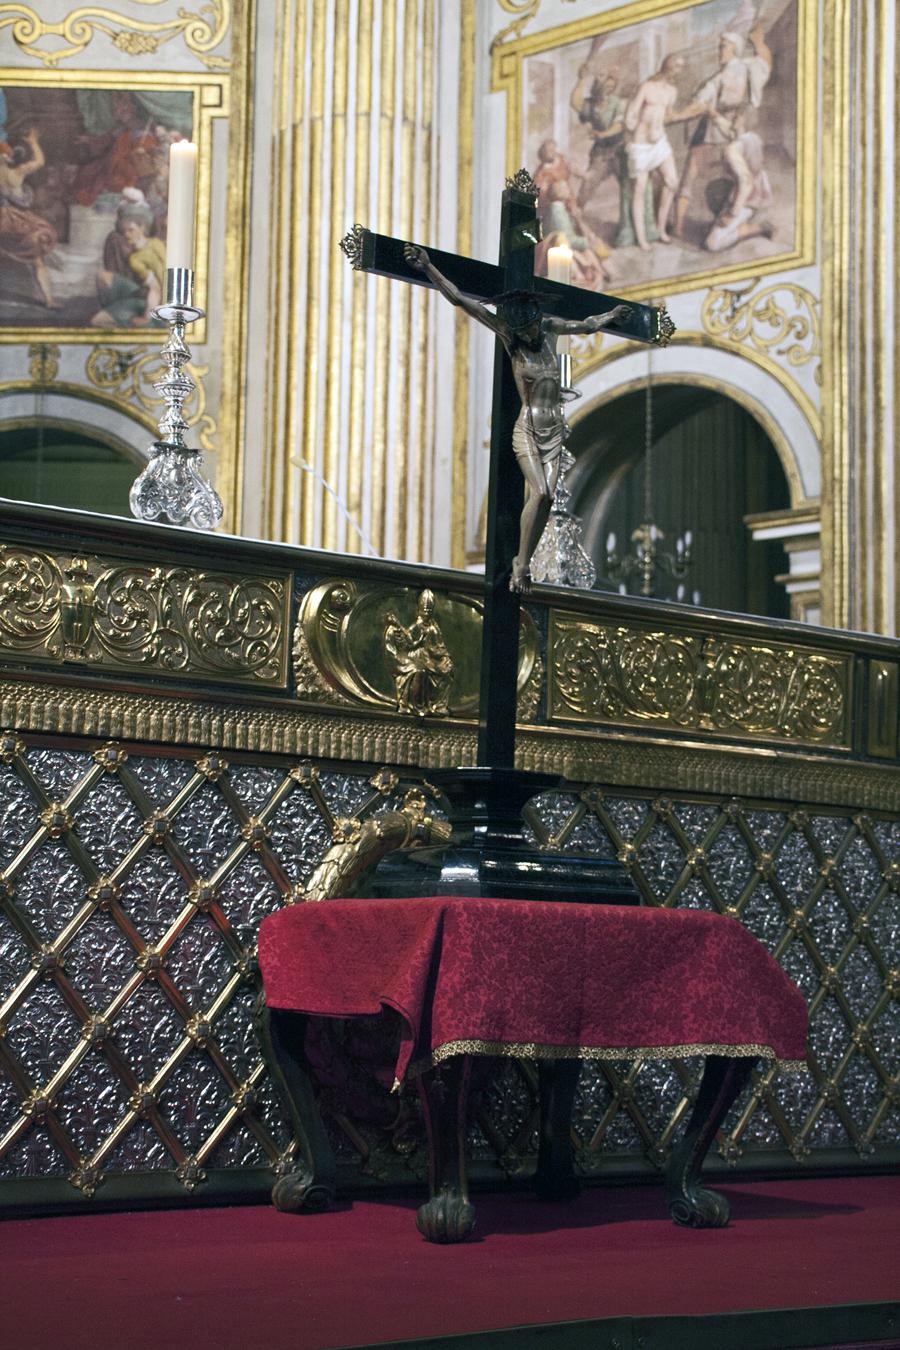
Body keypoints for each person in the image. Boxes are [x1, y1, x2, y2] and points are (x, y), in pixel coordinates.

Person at [404, 243, 630, 593]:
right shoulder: (511, 339)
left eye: (531, 328)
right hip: (529, 428)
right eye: (523, 329)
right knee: (539, 492)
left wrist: (611, 316)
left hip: (554, 429)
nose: (529, 334)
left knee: (549, 498)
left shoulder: (550, 329)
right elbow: (462, 301)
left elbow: (586, 325)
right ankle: (521, 564)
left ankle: (525, 561)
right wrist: (428, 268)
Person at [673, 24, 772, 239]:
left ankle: (738, 217)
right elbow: (699, 104)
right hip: (713, 128)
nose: (719, 51)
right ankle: (678, 227)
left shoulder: (746, 68)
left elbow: (765, 62)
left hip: (732, 128)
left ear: (735, 48)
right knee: (690, 174)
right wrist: (678, 116)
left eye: (723, 46)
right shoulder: (718, 78)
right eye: (720, 47)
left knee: (739, 173)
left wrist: (759, 43)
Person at [622, 54, 686, 252]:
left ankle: (660, 228)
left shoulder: (672, 92)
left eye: (681, 67)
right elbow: (632, 111)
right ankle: (641, 238)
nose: (679, 70)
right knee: (639, 190)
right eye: (677, 65)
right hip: (641, 146)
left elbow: (668, 115)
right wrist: (629, 125)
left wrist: (685, 114)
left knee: (672, 182)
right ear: (668, 65)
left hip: (659, 144)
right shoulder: (647, 87)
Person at [0, 128, 59, 308]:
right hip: (19, 222)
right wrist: (34, 143)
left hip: (6, 222)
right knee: (38, 260)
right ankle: (49, 300)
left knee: (37, 260)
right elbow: (40, 161)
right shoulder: (18, 172)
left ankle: (49, 300)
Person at [92, 192, 165, 327]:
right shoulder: (135, 258)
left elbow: (162, 277)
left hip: (161, 297)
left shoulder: (156, 244)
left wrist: (147, 316)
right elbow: (154, 287)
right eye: (124, 231)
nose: (126, 234)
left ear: (142, 228)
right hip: (148, 294)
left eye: (131, 230)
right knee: (101, 278)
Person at [384, 590, 453, 717]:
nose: (426, 614)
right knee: (420, 671)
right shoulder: (417, 625)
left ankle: (438, 706)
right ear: (419, 610)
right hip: (415, 657)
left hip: (430, 658)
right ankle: (416, 706)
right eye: (424, 611)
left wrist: (445, 658)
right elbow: (410, 643)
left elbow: (439, 647)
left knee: (447, 672)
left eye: (429, 611)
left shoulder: (434, 627)